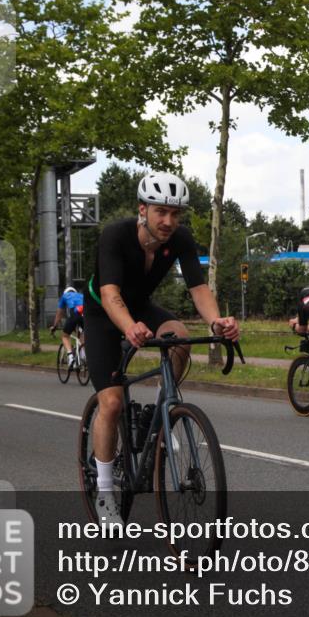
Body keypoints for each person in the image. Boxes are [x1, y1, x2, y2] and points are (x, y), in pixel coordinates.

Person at [84, 171, 239, 526]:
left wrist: (217, 322)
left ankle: (162, 411)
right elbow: (110, 294)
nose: (169, 221)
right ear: (143, 210)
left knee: (179, 336)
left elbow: (198, 289)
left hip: (140, 307)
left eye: (175, 214)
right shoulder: (115, 235)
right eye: (160, 213)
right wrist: (129, 327)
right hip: (103, 313)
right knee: (111, 401)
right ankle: (106, 492)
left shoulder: (180, 239)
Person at [50, 286, 85, 366]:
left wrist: (54, 326)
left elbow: (59, 313)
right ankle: (84, 357)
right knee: (82, 335)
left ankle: (70, 358)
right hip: (86, 315)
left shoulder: (64, 296)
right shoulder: (81, 295)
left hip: (75, 314)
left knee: (65, 336)